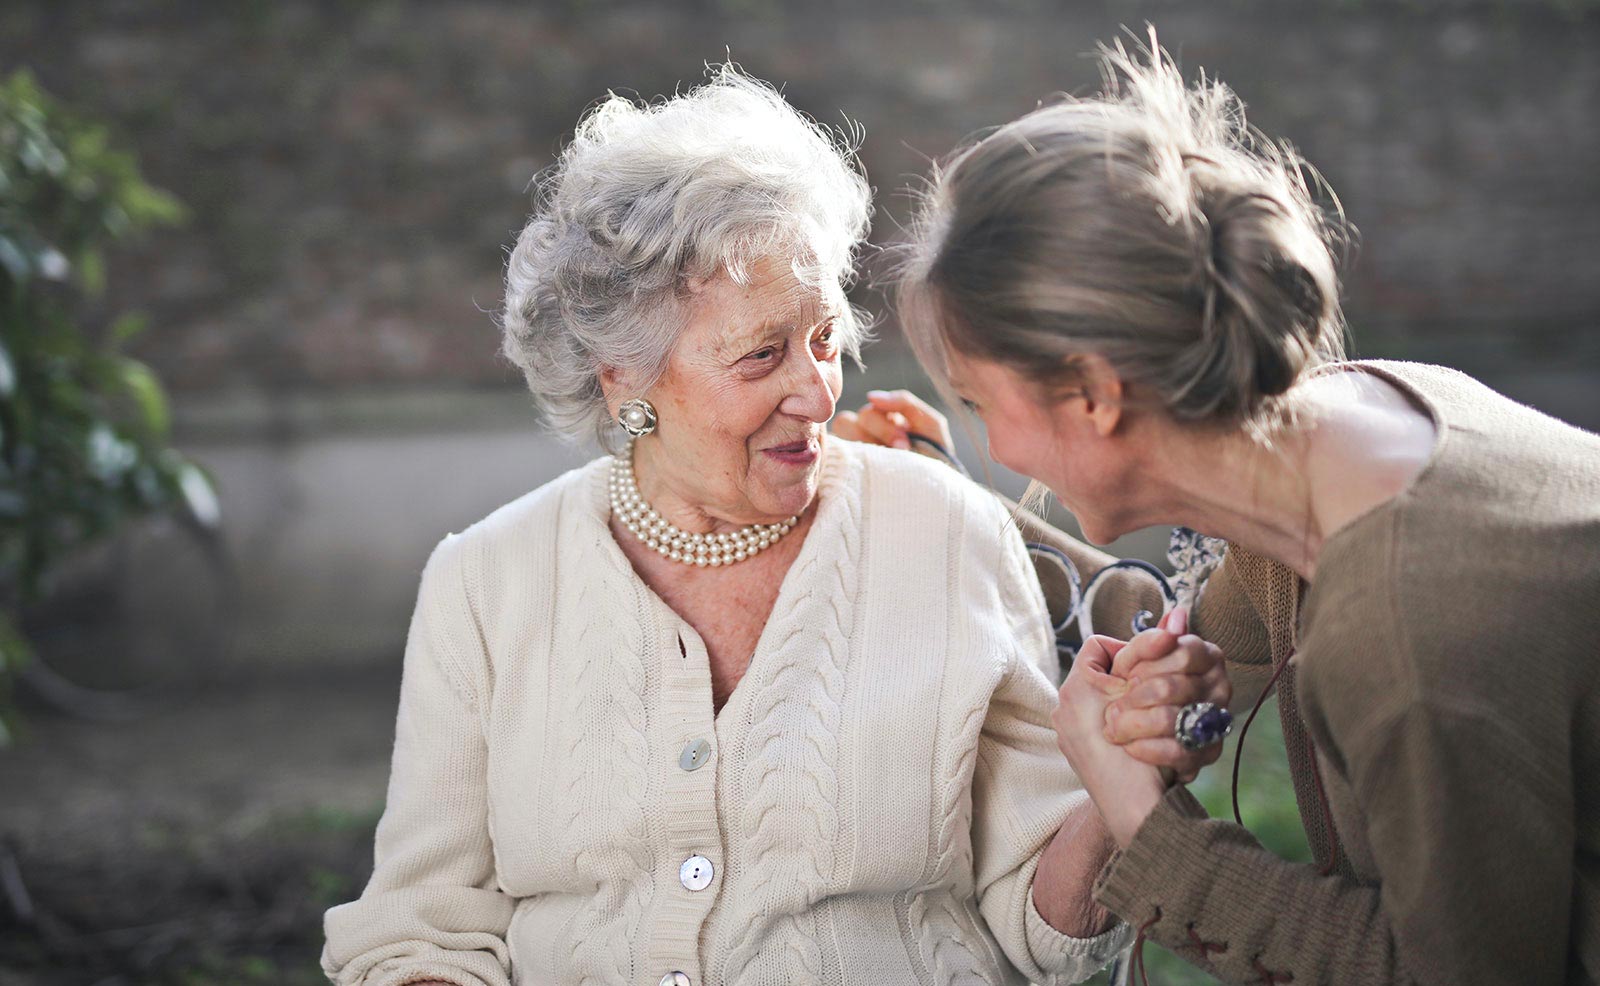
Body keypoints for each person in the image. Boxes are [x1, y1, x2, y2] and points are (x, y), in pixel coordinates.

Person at [319, 66, 1229, 986]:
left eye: (826, 338)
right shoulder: (485, 582)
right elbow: (422, 928)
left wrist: (1117, 781)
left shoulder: (944, 531)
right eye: (762, 356)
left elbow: (1047, 932)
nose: (818, 389)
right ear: (622, 379)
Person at [872, 32, 1600, 986]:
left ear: (1092, 395)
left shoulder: (1406, 635)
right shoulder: (1359, 420)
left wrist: (1144, 822)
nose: (997, 448)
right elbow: (1177, 626)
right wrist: (932, 490)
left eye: (978, 404)